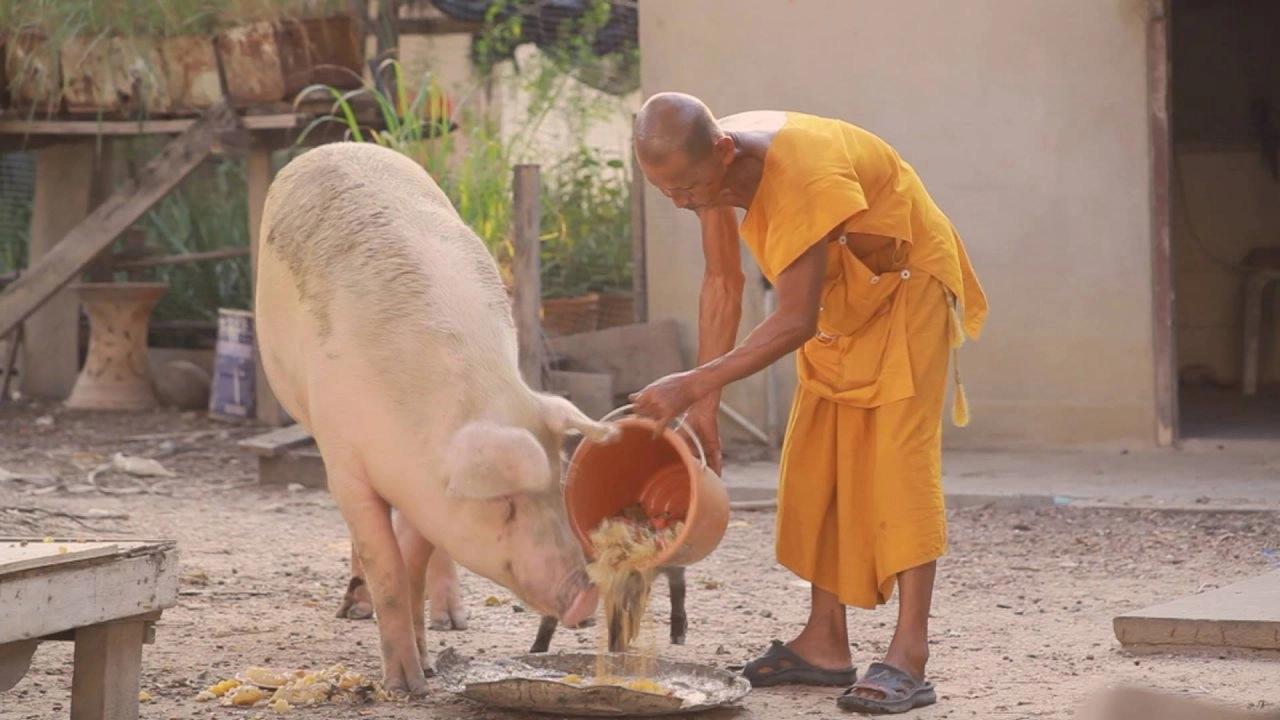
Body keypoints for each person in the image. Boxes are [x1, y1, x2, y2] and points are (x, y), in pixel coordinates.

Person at [626, 92, 989, 715]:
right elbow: (722, 282)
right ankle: (823, 643)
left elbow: (791, 321)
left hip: (907, 290)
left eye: (687, 187)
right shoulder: (709, 174)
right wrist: (705, 404)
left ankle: (910, 655)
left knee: (896, 471)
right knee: (815, 463)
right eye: (667, 194)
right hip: (842, 297)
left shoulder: (802, 174)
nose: (684, 202)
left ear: (722, 151)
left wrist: (687, 384)